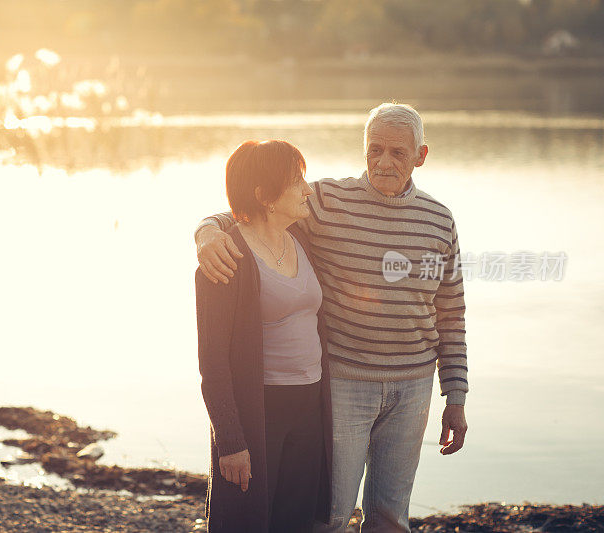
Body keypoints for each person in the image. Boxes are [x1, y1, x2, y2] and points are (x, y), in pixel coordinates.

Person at [195, 103, 469, 532]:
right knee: (328, 516)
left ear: (421, 155)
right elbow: (251, 207)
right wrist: (206, 231)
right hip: (342, 384)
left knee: (391, 516)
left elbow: (451, 313)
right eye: (374, 149)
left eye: (398, 153)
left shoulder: (438, 219)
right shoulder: (323, 201)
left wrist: (455, 395)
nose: (382, 162)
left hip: (413, 386)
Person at [196, 140, 333, 532]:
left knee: (296, 521)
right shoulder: (226, 258)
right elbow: (213, 363)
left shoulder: (302, 239)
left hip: (310, 406)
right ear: (265, 196)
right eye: (296, 181)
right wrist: (231, 441)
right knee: (246, 522)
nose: (308, 189)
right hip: (260, 411)